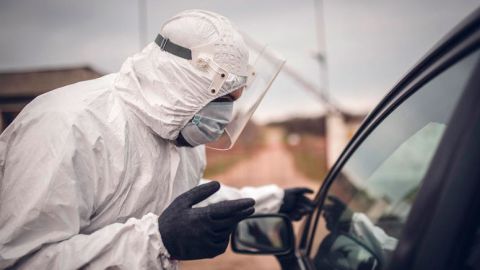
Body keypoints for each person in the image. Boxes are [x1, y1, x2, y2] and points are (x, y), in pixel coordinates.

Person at [0, 9, 313, 269]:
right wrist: (158, 242)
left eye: (233, 100)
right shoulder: (69, 126)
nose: (226, 114)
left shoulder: (179, 133)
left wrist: (274, 200)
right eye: (221, 98)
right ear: (184, 82)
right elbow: (21, 259)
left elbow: (192, 198)